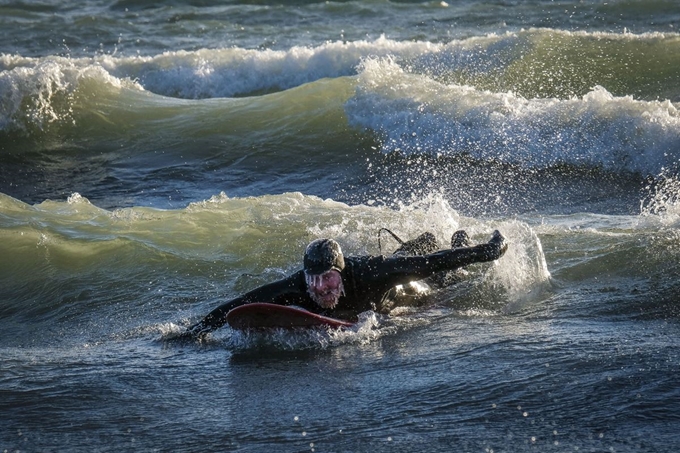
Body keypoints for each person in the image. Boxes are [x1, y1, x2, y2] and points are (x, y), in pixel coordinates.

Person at [183, 229, 507, 338]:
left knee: (444, 275)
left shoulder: (369, 273)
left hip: (408, 294)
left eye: (328, 279)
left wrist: (489, 251)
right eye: (314, 280)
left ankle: (460, 238)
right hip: (392, 278)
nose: (321, 288)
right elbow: (239, 304)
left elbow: (432, 264)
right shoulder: (297, 286)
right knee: (411, 254)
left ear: (340, 272)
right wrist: (195, 331)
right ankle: (445, 238)